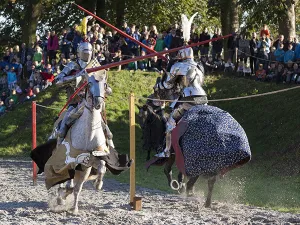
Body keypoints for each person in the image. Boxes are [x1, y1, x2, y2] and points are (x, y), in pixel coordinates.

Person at [154, 13, 207, 158]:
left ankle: (166, 151)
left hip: (188, 99)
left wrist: (160, 86)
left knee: (171, 122)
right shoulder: (198, 66)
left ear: (181, 55)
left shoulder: (178, 66)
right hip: (203, 97)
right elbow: (200, 82)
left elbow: (168, 85)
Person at [55, 42, 114, 152]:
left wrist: (103, 89)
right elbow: (58, 81)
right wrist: (76, 76)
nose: (87, 54)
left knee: (106, 129)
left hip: (93, 103)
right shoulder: (72, 65)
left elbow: (109, 89)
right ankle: (59, 149)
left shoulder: (96, 67)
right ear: (78, 53)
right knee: (63, 127)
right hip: (75, 101)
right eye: (84, 51)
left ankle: (111, 151)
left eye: (89, 51)